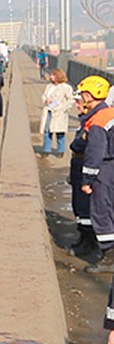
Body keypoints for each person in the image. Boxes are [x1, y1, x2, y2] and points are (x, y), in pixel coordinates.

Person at [74, 76, 114, 272]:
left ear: (89, 95)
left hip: (105, 169)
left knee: (101, 211)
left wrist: (87, 180)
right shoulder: (110, 113)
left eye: (82, 94)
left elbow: (94, 153)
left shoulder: (98, 121)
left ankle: (109, 257)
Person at [40, 68, 73, 156]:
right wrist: (46, 100)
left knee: (60, 132)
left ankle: (61, 150)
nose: (51, 77)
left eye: (53, 75)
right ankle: (46, 150)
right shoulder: (49, 86)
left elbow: (70, 100)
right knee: (47, 131)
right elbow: (43, 96)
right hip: (49, 111)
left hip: (59, 113)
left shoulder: (66, 87)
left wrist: (61, 107)